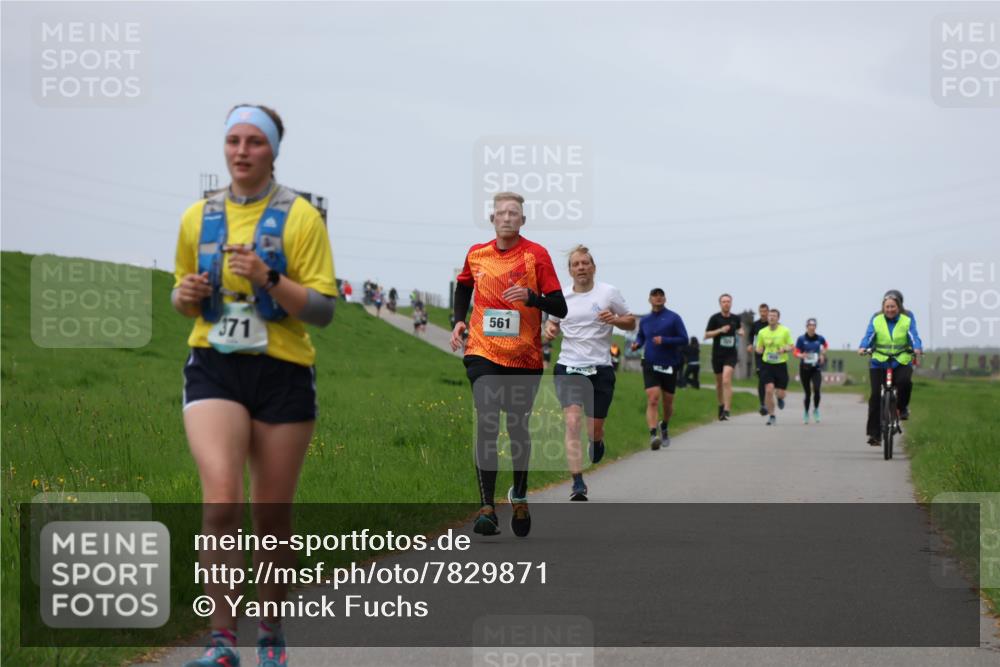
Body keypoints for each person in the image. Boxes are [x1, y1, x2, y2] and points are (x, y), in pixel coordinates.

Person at [173, 104, 337, 667]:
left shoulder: (300, 218)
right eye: (233, 140)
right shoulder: (199, 216)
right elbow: (179, 294)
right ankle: (222, 640)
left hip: (284, 371)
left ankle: (271, 631)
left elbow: (321, 310)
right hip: (213, 363)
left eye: (254, 142)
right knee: (221, 500)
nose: (242, 151)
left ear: (273, 151)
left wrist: (267, 277)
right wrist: (186, 294)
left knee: (270, 514)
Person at [450, 191, 566, 537]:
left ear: (522, 220)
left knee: (517, 427)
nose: (507, 218)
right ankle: (486, 507)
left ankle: (519, 495)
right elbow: (463, 289)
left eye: (513, 213)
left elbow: (559, 306)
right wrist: (459, 320)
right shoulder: (477, 254)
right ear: (492, 219)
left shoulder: (537, 255)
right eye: (501, 212)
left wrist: (533, 298)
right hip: (482, 352)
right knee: (487, 419)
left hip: (525, 357)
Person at [544, 245, 635, 501]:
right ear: (570, 270)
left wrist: (615, 320)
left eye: (585, 263)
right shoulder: (560, 298)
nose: (581, 267)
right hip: (568, 367)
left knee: (594, 429)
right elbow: (551, 322)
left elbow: (631, 321)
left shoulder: (608, 293)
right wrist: (550, 329)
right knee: (572, 423)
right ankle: (577, 483)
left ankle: (596, 442)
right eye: (576, 264)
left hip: (600, 369)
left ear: (593, 267)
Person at [858, 292, 923, 445]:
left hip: (900, 360)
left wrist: (917, 348)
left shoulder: (906, 319)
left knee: (905, 382)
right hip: (879, 361)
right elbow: (869, 335)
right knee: (875, 397)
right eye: (887, 307)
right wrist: (863, 347)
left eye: (893, 306)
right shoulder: (876, 319)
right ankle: (875, 435)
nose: (890, 309)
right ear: (883, 307)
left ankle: (902, 408)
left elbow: (914, 335)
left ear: (898, 307)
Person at [631, 288, 688, 449]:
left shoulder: (674, 318)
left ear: (665, 299)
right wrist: (637, 344)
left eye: (660, 295)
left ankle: (664, 425)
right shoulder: (645, 320)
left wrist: (665, 340)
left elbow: (684, 339)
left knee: (668, 403)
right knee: (653, 398)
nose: (658, 298)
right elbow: (641, 336)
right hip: (650, 362)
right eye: (654, 296)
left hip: (669, 364)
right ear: (649, 299)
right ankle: (653, 435)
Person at [705, 293, 744, 420]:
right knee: (719, 384)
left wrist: (740, 332)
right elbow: (706, 335)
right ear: (720, 304)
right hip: (717, 354)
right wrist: (720, 330)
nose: (726, 303)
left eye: (728, 301)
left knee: (726, 380)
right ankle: (721, 405)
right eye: (724, 301)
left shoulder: (735, 318)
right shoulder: (714, 318)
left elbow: (740, 329)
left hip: (731, 354)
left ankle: (727, 409)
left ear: (731, 303)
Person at [755, 308, 793, 426]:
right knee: (769, 389)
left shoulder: (785, 331)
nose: (771, 317)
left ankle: (780, 398)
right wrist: (759, 349)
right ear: (767, 318)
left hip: (780, 365)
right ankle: (772, 416)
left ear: (778, 318)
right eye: (770, 316)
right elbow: (758, 347)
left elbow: (791, 346)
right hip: (767, 365)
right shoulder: (762, 332)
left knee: (780, 393)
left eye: (774, 316)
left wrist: (784, 349)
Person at [794, 318, 828, 424]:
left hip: (816, 368)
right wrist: (801, 355)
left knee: (817, 389)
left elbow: (826, 345)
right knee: (808, 393)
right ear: (807, 326)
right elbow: (795, 352)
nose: (812, 327)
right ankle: (806, 412)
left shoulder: (820, 338)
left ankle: (816, 409)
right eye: (810, 325)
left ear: (815, 327)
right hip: (804, 368)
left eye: (814, 325)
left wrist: (822, 354)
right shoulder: (801, 339)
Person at [747, 303, 770, 415]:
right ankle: (762, 404)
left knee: (770, 380)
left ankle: (772, 397)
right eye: (761, 311)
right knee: (761, 378)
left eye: (765, 311)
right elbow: (751, 336)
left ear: (768, 312)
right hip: (759, 355)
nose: (763, 314)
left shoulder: (773, 324)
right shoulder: (755, 324)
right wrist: (751, 345)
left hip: (772, 355)